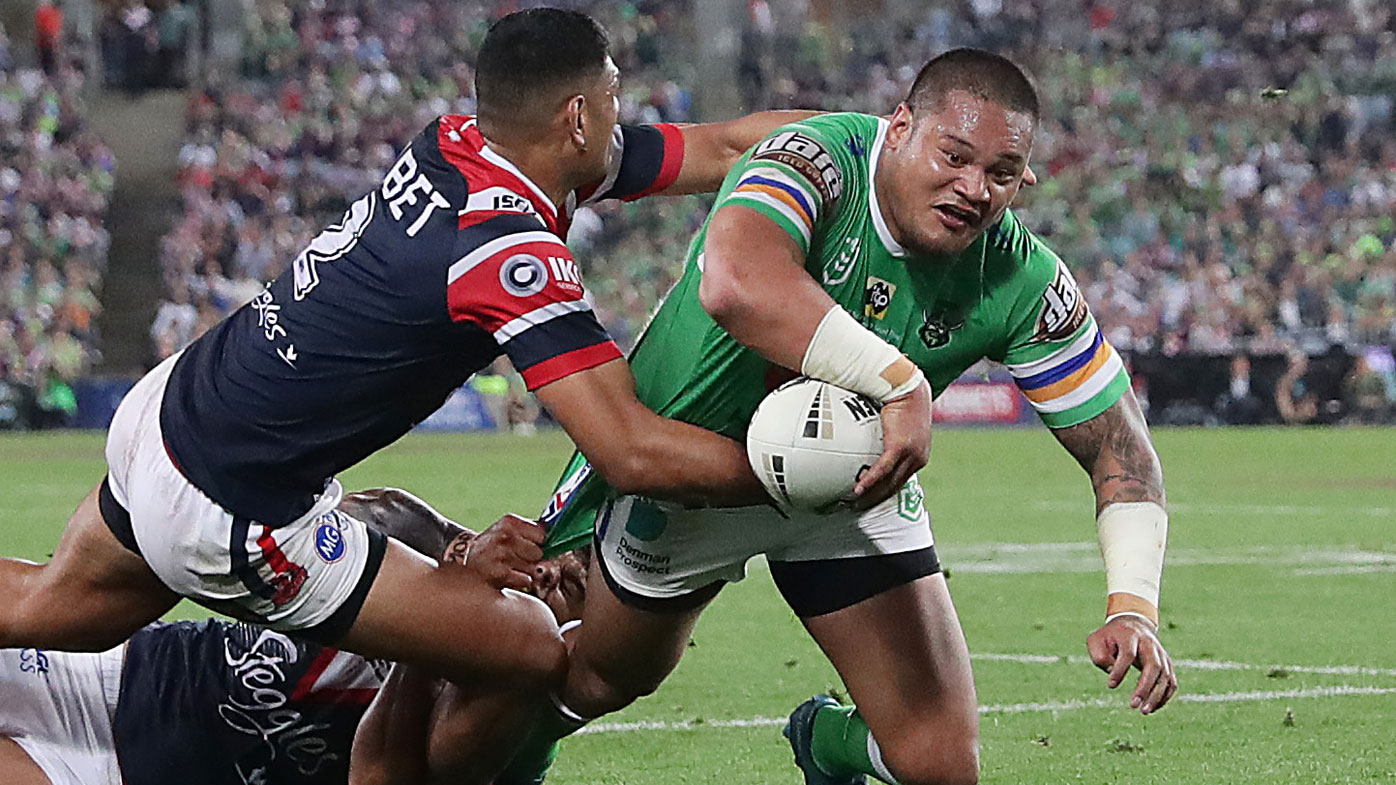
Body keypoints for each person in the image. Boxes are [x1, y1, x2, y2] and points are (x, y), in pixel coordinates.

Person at [0, 10, 883, 784]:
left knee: (56, 612)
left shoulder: (460, 141)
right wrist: (804, 477)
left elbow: (732, 147)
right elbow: (630, 451)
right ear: (578, 115)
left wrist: (882, 150)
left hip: (171, 414)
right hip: (238, 511)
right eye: (615, 93)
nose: (625, 110)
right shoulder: (508, 250)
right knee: (531, 645)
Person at [508, 48, 1175, 785]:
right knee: (598, 679)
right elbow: (737, 282)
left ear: (1026, 180)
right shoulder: (819, 157)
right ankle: (520, 758)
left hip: (856, 485)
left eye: (1001, 173)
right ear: (898, 130)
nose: (973, 188)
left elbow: (1124, 452)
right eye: (953, 155)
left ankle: (825, 741)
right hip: (692, 470)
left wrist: (1133, 605)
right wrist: (902, 385)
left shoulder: (1021, 275)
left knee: (941, 768)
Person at [0, 487, 588, 785]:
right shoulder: (428, 559)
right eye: (561, 554)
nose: (550, 572)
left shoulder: (505, 715)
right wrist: (455, 562)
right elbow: (366, 512)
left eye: (572, 585)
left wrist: (437, 649)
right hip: (106, 670)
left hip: (119, 775)